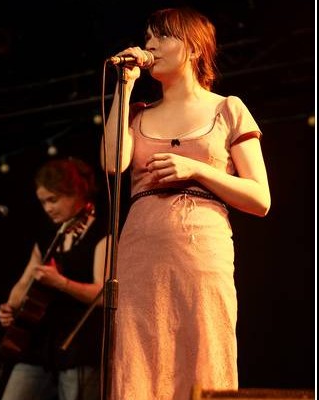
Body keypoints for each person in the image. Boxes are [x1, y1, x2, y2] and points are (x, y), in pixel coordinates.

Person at [101, 6, 271, 400]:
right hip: (141, 257)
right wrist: (124, 90)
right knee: (139, 363)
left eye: (162, 36)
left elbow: (260, 199)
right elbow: (112, 164)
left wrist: (196, 170)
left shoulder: (227, 108)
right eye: (148, 37)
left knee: (204, 358)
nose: (150, 45)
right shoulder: (138, 113)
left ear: (194, 48)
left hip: (201, 258)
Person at [0, 157, 109, 400]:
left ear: (77, 193)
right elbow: (24, 281)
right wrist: (11, 307)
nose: (48, 208)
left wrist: (61, 283)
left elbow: (103, 295)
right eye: (43, 202)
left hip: (78, 349)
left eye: (53, 200)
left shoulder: (101, 234)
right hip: (38, 347)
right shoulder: (49, 235)